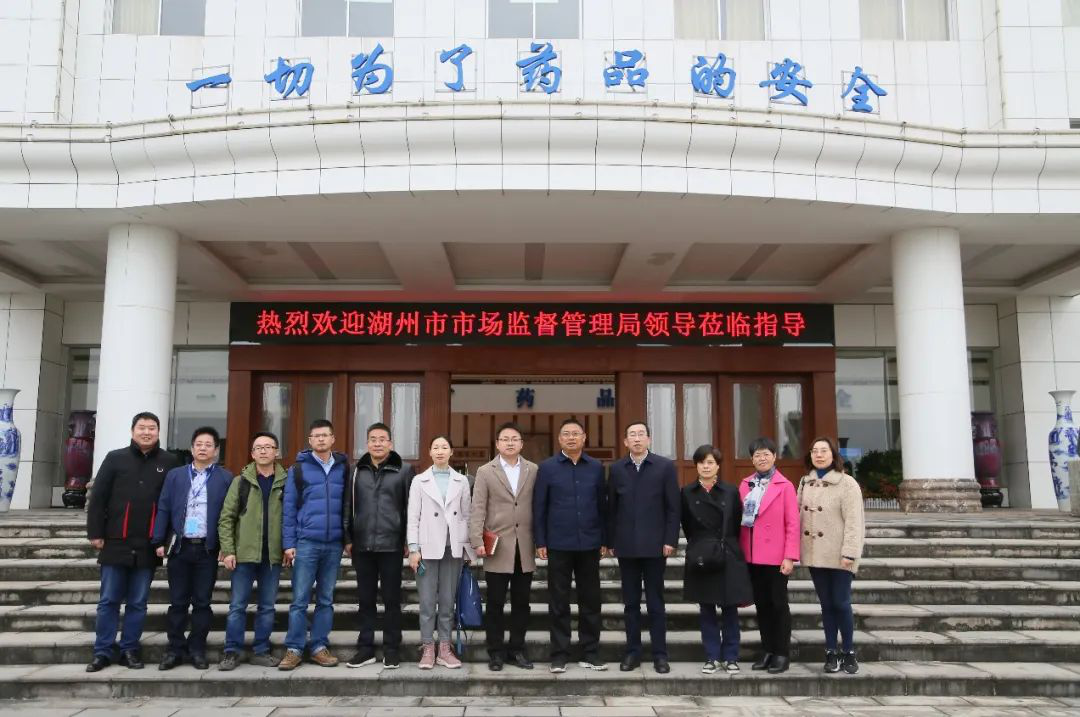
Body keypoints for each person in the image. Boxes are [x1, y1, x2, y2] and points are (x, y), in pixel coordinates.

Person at [85, 412, 180, 673]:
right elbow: (98, 498)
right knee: (108, 600)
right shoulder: (115, 458)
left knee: (138, 602)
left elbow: (172, 505)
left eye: (152, 428)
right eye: (142, 428)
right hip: (115, 541)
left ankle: (129, 649)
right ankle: (102, 651)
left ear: (159, 432)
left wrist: (165, 540)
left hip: (149, 543)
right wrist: (95, 532)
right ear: (132, 431)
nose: (147, 432)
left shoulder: (169, 462)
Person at [152, 426, 233, 671]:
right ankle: (174, 649)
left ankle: (197, 649)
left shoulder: (225, 478)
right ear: (191, 448)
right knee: (177, 601)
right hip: (180, 547)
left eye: (208, 445)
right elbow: (164, 506)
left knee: (202, 602)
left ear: (216, 450)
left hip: (207, 549)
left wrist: (226, 546)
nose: (203, 448)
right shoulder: (176, 475)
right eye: (199, 444)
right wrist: (159, 540)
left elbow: (230, 514)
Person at [533, 417, 608, 673]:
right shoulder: (547, 468)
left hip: (589, 543)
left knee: (591, 600)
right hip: (558, 544)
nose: (571, 437)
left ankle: (590, 652)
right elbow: (540, 506)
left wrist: (604, 539)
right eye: (566, 434)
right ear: (559, 439)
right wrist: (541, 540)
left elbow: (602, 505)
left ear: (584, 438)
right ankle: (559, 653)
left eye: (576, 433)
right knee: (558, 601)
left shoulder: (596, 467)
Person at [607, 421, 679, 674]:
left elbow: (673, 507)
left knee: (656, 603)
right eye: (632, 435)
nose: (637, 439)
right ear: (625, 441)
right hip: (626, 546)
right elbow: (612, 508)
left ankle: (660, 654)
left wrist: (670, 540)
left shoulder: (664, 467)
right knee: (631, 604)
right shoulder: (617, 469)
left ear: (649, 439)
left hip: (655, 546)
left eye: (641, 434)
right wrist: (610, 541)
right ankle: (633, 652)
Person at [343, 422, 415, 669]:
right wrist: (348, 538)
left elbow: (410, 509)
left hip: (391, 545)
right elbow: (348, 505)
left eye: (382, 439)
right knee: (365, 600)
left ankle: (392, 648)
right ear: (367, 443)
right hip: (362, 545)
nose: (377, 443)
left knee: (392, 600)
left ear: (390, 443)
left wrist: (408, 540)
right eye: (373, 439)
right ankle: (365, 648)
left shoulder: (404, 470)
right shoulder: (356, 471)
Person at [468, 422, 538, 671]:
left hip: (525, 545)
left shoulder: (533, 469)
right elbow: (478, 507)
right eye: (505, 439)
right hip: (497, 545)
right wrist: (476, 540)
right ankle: (495, 652)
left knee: (522, 602)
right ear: (497, 444)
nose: (510, 443)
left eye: (514, 439)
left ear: (521, 444)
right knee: (495, 602)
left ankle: (516, 649)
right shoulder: (486, 471)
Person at [279, 419, 348, 671]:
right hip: (306, 542)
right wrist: (289, 543)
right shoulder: (298, 469)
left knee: (326, 599)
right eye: (316, 436)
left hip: (333, 544)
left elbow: (348, 506)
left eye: (325, 435)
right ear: (310, 441)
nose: (320, 439)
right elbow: (289, 508)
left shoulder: (343, 468)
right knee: (299, 599)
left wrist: (347, 539)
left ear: (333, 439)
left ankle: (319, 646)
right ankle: (294, 649)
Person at [217, 431, 288, 670]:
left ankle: (261, 650)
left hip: (272, 556)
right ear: (252, 453)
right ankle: (231, 651)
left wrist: (288, 547)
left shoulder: (286, 482)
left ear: (277, 452)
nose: (263, 451)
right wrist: (228, 550)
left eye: (268, 447)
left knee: (267, 607)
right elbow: (226, 518)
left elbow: (292, 517)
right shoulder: (241, 482)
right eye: (258, 447)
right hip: (243, 555)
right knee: (237, 605)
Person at [681, 444, 753, 675]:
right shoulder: (687, 492)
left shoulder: (730, 491)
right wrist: (701, 545)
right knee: (706, 608)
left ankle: (731, 657)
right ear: (696, 466)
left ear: (718, 466)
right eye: (702, 462)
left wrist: (723, 544)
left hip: (727, 552)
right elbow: (687, 525)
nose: (706, 466)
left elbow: (736, 522)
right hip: (702, 552)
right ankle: (711, 656)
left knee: (730, 608)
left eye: (710, 462)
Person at [407, 435, 477, 669]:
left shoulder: (462, 480)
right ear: (429, 452)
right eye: (435, 447)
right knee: (427, 602)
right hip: (427, 548)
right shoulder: (419, 480)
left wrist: (467, 549)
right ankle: (428, 647)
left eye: (444, 447)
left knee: (447, 602)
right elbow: (413, 517)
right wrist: (413, 549)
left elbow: (466, 516)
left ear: (451, 452)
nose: (440, 451)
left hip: (453, 548)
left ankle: (445, 648)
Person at [798, 436, 865, 675]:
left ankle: (848, 652)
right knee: (826, 604)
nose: (819, 455)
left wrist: (850, 553)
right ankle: (830, 652)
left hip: (840, 555)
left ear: (833, 455)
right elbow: (797, 515)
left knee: (841, 603)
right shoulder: (805, 482)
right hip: (815, 554)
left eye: (824, 450)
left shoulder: (847, 483)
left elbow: (854, 522)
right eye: (814, 451)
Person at [739, 436, 800, 674]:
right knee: (762, 605)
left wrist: (790, 556)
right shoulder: (746, 485)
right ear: (751, 459)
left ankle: (781, 653)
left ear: (774, 456)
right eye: (757, 454)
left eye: (766, 454)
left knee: (778, 605)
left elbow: (792, 524)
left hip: (776, 557)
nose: (762, 458)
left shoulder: (785, 486)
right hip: (752, 556)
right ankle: (767, 650)